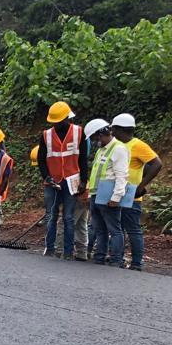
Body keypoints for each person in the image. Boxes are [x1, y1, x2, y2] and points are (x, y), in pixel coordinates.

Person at [111, 113, 163, 271]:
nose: (112, 132)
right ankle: (116, 258)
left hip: (131, 196)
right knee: (117, 228)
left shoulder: (137, 145)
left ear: (121, 129)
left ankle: (136, 262)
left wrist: (141, 186)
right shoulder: (116, 145)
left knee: (132, 229)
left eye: (114, 129)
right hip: (116, 193)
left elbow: (156, 163)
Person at [37, 101, 88, 259]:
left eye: (58, 121)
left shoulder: (79, 133)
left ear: (67, 118)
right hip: (52, 181)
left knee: (68, 217)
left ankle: (68, 252)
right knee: (51, 215)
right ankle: (50, 248)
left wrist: (83, 181)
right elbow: (41, 159)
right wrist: (47, 177)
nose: (56, 124)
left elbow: (83, 160)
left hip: (71, 181)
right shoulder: (46, 135)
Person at [86, 120, 129, 266]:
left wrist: (116, 197)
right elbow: (96, 174)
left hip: (108, 197)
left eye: (96, 137)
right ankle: (99, 257)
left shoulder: (118, 149)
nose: (96, 141)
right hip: (96, 196)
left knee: (115, 230)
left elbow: (121, 175)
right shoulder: (101, 150)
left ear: (103, 133)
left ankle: (116, 260)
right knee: (100, 230)